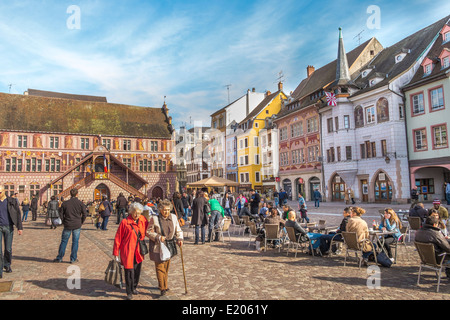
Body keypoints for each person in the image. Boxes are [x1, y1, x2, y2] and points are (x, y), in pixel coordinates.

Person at [147, 199, 183, 296]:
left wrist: (179, 238)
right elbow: (148, 232)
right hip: (158, 246)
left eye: (168, 210)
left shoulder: (174, 217)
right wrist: (158, 237)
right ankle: (162, 288)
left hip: (169, 245)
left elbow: (178, 229)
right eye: (164, 210)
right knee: (160, 267)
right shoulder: (154, 219)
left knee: (166, 266)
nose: (166, 212)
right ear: (160, 210)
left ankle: (164, 285)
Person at [113, 202, 149, 300]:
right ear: (131, 212)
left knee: (137, 270)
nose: (137, 215)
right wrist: (116, 252)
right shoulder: (125, 222)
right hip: (127, 250)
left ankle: (134, 287)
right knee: (129, 271)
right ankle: (129, 291)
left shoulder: (142, 220)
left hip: (138, 250)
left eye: (139, 213)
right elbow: (118, 238)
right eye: (135, 212)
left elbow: (148, 230)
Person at [53, 188, 87, 264]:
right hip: (77, 224)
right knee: (75, 242)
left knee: (64, 241)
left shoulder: (65, 203)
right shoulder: (80, 203)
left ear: (70, 194)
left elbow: (60, 213)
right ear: (77, 194)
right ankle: (73, 258)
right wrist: (81, 221)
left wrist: (63, 221)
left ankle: (59, 258)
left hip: (67, 224)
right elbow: (85, 214)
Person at [0, 185, 23, 277]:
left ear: (4, 192)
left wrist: (19, 227)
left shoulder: (11, 201)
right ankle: (0, 269)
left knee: (8, 249)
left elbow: (18, 213)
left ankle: (7, 264)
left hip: (8, 227)